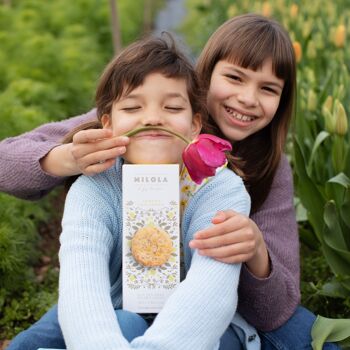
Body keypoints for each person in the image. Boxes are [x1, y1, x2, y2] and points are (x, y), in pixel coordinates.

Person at [0, 14, 339, 350]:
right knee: (54, 337)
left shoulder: (254, 170)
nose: (248, 98)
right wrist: (66, 157)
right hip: (119, 291)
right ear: (204, 77)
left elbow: (276, 308)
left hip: (213, 306)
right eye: (235, 77)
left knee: (300, 336)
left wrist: (256, 251)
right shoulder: (141, 120)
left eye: (268, 89)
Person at [8, 34, 258, 350]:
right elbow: (81, 282)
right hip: (116, 303)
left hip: (199, 331)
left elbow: (210, 291)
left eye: (171, 106)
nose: (152, 118)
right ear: (107, 124)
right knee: (36, 343)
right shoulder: (95, 188)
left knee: (132, 325)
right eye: (132, 106)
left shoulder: (220, 190)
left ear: (195, 125)